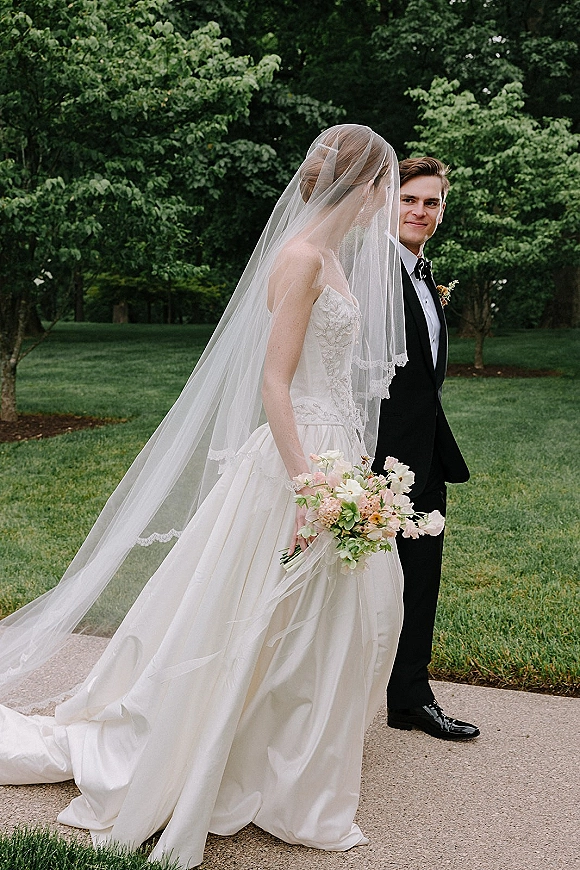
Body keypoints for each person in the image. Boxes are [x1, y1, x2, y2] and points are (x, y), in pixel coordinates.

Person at [0, 125, 410, 868]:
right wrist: (311, 486)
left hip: (339, 453)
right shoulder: (301, 258)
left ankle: (285, 767)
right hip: (297, 465)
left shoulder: (337, 261)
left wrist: (355, 470)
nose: (390, 205)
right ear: (366, 187)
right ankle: (221, 751)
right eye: (387, 187)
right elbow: (275, 384)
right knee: (253, 615)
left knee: (326, 622)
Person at [372, 157, 479, 741]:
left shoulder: (423, 273)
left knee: (421, 579)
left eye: (432, 202)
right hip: (374, 458)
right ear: (387, 203)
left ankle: (410, 697)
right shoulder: (369, 275)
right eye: (409, 199)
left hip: (426, 454)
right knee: (349, 583)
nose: (420, 212)